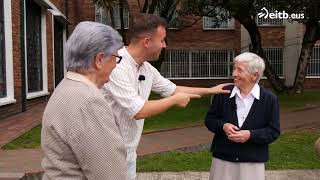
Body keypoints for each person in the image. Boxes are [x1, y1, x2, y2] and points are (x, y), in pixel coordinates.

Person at [102, 14, 232, 180]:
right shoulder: (117, 66)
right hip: (106, 152)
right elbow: (138, 111)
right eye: (162, 40)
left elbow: (173, 89)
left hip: (128, 153)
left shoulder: (146, 69)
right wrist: (173, 101)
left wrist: (210, 91)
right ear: (147, 42)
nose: (165, 45)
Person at [41, 21, 127, 180]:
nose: (116, 65)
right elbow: (111, 175)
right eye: (116, 58)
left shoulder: (65, 86)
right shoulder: (88, 101)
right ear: (99, 59)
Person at [205, 52, 280, 180]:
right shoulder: (223, 93)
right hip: (223, 160)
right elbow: (210, 120)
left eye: (239, 70)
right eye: (234, 69)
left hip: (252, 162)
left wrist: (250, 135)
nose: (234, 74)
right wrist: (223, 126)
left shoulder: (269, 99)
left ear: (254, 76)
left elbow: (273, 131)